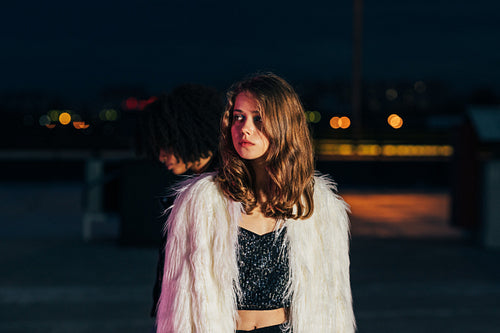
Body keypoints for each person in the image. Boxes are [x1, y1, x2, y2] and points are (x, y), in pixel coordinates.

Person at [156, 73, 355, 332]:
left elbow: (332, 303)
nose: (244, 128)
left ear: (283, 124)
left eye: (258, 118)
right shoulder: (201, 202)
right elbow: (180, 302)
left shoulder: (320, 206)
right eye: (238, 117)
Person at [139, 83, 224, 319]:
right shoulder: (205, 184)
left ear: (187, 134)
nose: (160, 156)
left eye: (165, 145)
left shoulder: (222, 189)